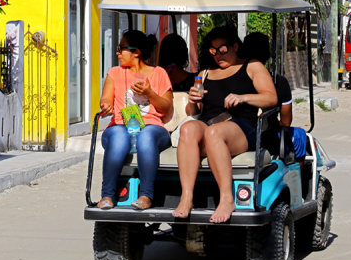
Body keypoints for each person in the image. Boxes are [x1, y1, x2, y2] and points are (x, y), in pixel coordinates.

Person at [172, 26, 277, 223]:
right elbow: (192, 113)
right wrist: (193, 100)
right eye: (213, 51)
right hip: (210, 122)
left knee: (213, 133)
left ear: (235, 46)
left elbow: (271, 98)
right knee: (187, 128)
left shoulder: (252, 66)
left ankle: (227, 198)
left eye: (223, 49)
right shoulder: (203, 74)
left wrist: (243, 97)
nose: (218, 55)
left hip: (242, 125)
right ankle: (187, 197)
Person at [98, 30, 174, 211]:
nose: (117, 52)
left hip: (153, 127)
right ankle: (107, 195)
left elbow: (166, 108)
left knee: (146, 135)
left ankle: (146, 195)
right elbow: (106, 99)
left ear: (136, 52)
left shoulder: (159, 73)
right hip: (120, 126)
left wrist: (149, 93)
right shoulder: (115, 73)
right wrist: (106, 106)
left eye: (121, 48)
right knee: (118, 134)